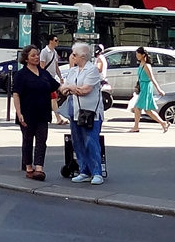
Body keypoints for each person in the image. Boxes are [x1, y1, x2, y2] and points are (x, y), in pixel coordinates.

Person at [59, 43, 106, 185]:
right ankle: (84, 170)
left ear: (83, 56)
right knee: (78, 142)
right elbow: (63, 89)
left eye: (74, 54)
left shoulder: (92, 70)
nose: (71, 56)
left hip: (90, 112)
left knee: (91, 141)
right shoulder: (73, 71)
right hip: (74, 110)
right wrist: (72, 88)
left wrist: (71, 88)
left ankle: (97, 172)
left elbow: (85, 90)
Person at [14, 44, 61, 180]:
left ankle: (39, 168)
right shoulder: (21, 75)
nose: (36, 57)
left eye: (37, 54)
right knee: (28, 140)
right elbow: (16, 94)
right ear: (26, 58)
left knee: (42, 140)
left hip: (43, 112)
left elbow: (56, 86)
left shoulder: (44, 73)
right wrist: (19, 112)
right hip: (27, 113)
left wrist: (70, 89)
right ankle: (29, 167)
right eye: (33, 55)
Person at [130, 47, 170, 134]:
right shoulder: (141, 64)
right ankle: (163, 123)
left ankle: (136, 127)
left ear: (143, 55)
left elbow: (152, 78)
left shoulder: (146, 66)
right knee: (148, 110)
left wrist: (159, 89)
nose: (136, 56)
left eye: (138, 54)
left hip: (146, 87)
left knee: (138, 108)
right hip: (143, 86)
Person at [40, 34, 66, 125]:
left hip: (52, 79)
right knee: (53, 98)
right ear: (50, 41)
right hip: (46, 79)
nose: (57, 42)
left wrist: (60, 77)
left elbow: (56, 67)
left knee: (50, 99)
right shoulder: (44, 52)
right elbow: (42, 66)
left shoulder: (54, 52)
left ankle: (52, 117)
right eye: (56, 40)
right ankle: (58, 118)